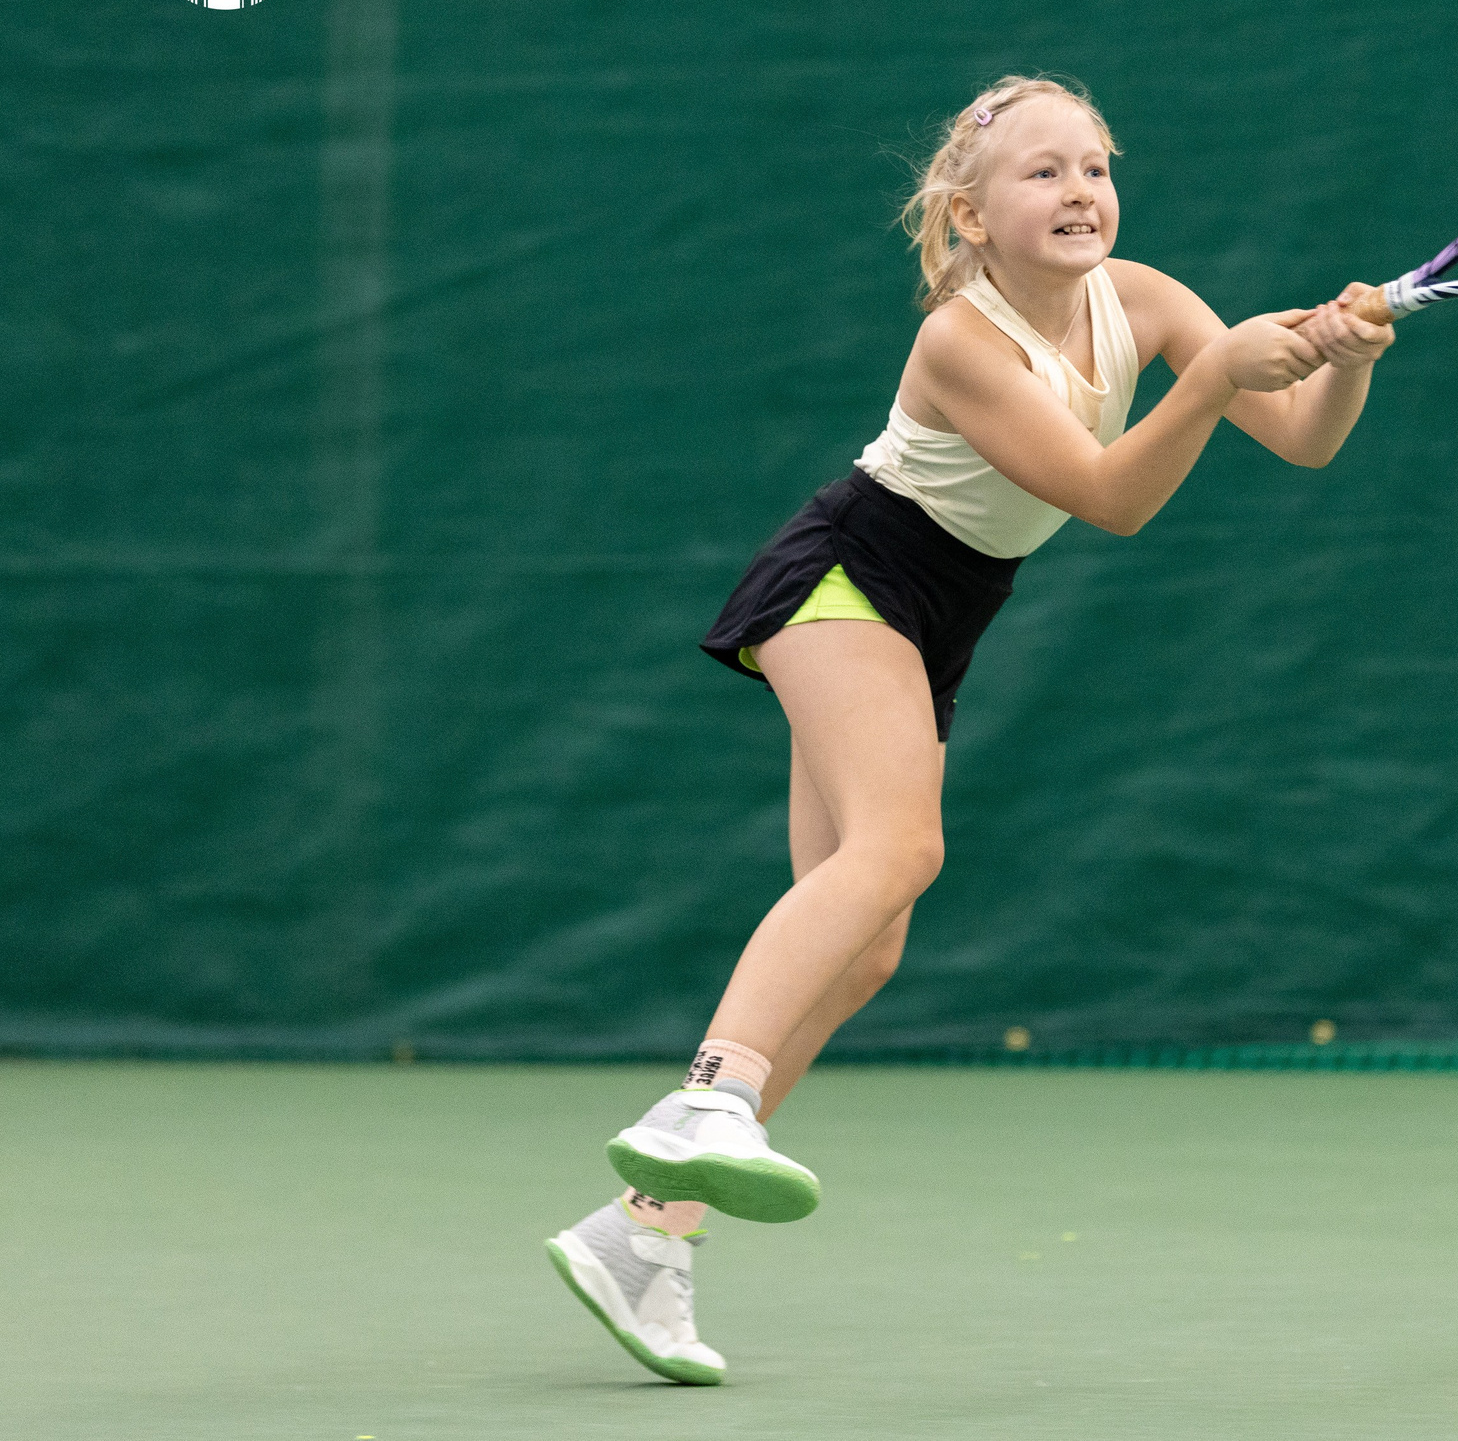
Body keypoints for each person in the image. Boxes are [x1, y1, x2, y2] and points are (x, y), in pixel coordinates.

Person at [544, 75, 1395, 1383]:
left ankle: (646, 1232)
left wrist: (1340, 368)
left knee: (866, 940)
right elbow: (1112, 496)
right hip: (849, 576)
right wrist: (1217, 377)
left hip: (941, 612)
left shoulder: (1148, 301)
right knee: (900, 848)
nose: (1080, 191)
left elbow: (1303, 441)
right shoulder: (963, 338)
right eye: (1042, 172)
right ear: (970, 215)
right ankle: (707, 1098)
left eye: (1096, 166)